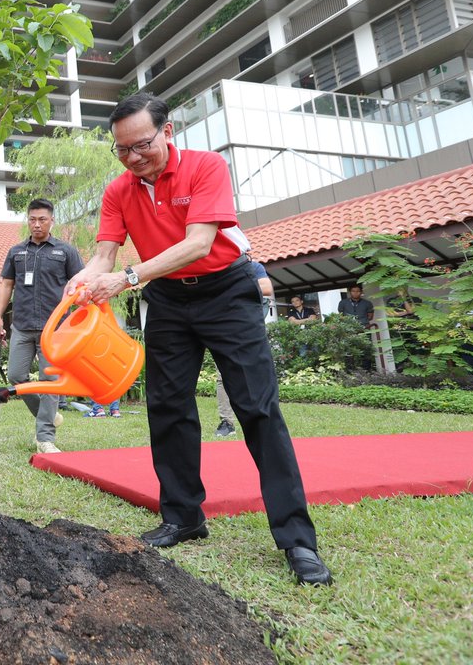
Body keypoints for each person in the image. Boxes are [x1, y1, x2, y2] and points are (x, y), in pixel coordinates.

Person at [66, 93, 332, 586]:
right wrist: (83, 278)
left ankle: (297, 539)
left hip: (226, 291)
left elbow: (198, 243)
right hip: (167, 299)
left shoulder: (207, 167)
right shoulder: (118, 190)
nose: (133, 158)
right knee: (167, 406)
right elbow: (105, 252)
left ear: (168, 132)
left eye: (141, 144)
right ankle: (183, 516)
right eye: (122, 150)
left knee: (257, 407)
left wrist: (126, 278)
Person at [0, 198, 84, 454]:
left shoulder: (65, 251)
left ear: (52, 220)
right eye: (32, 219)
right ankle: (48, 414)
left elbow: (79, 284)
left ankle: (45, 437)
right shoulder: (16, 252)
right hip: (21, 324)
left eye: (42, 219)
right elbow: (7, 285)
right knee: (16, 376)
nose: (36, 224)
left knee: (50, 381)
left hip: (53, 329)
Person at [216, 257, 274, 436]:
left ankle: (263, 420)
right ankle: (227, 422)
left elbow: (267, 288)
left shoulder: (254, 267)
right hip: (220, 328)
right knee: (222, 377)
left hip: (248, 329)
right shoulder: (215, 268)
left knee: (258, 372)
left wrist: (232, 286)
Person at [337, 284, 376, 371]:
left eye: (358, 291)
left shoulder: (367, 303)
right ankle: (350, 370)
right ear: (350, 292)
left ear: (361, 292)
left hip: (364, 328)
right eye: (353, 291)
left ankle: (367, 370)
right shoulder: (343, 302)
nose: (355, 293)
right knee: (349, 349)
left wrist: (361, 321)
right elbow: (340, 316)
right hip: (348, 329)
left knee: (366, 349)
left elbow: (370, 316)